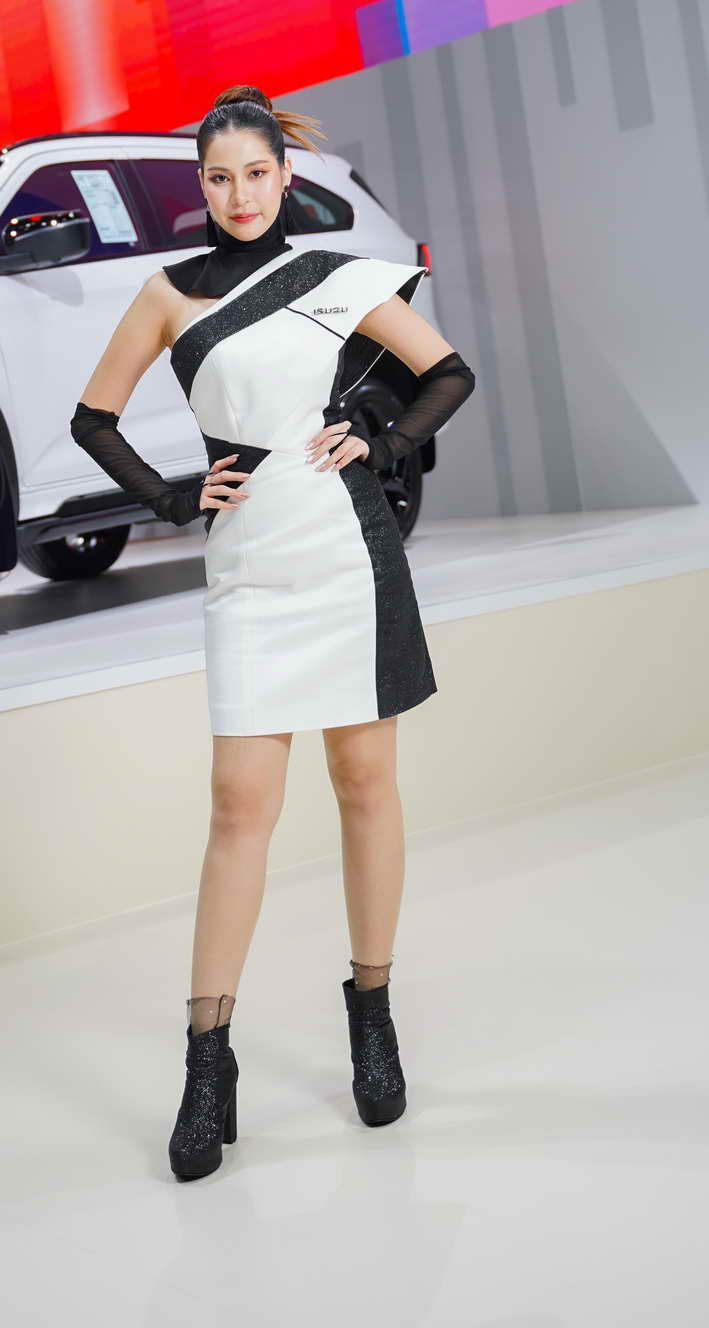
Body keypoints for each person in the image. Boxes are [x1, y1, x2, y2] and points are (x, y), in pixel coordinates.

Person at [70, 85, 476, 1180]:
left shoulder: (340, 278)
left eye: (256, 173)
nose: (240, 193)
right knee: (237, 806)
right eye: (219, 177)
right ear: (200, 186)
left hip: (349, 557)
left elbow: (447, 373)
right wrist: (171, 497)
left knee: (365, 785)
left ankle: (372, 1018)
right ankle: (208, 1063)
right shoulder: (166, 295)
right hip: (248, 570)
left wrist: (381, 438)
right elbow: (92, 417)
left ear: (284, 177)